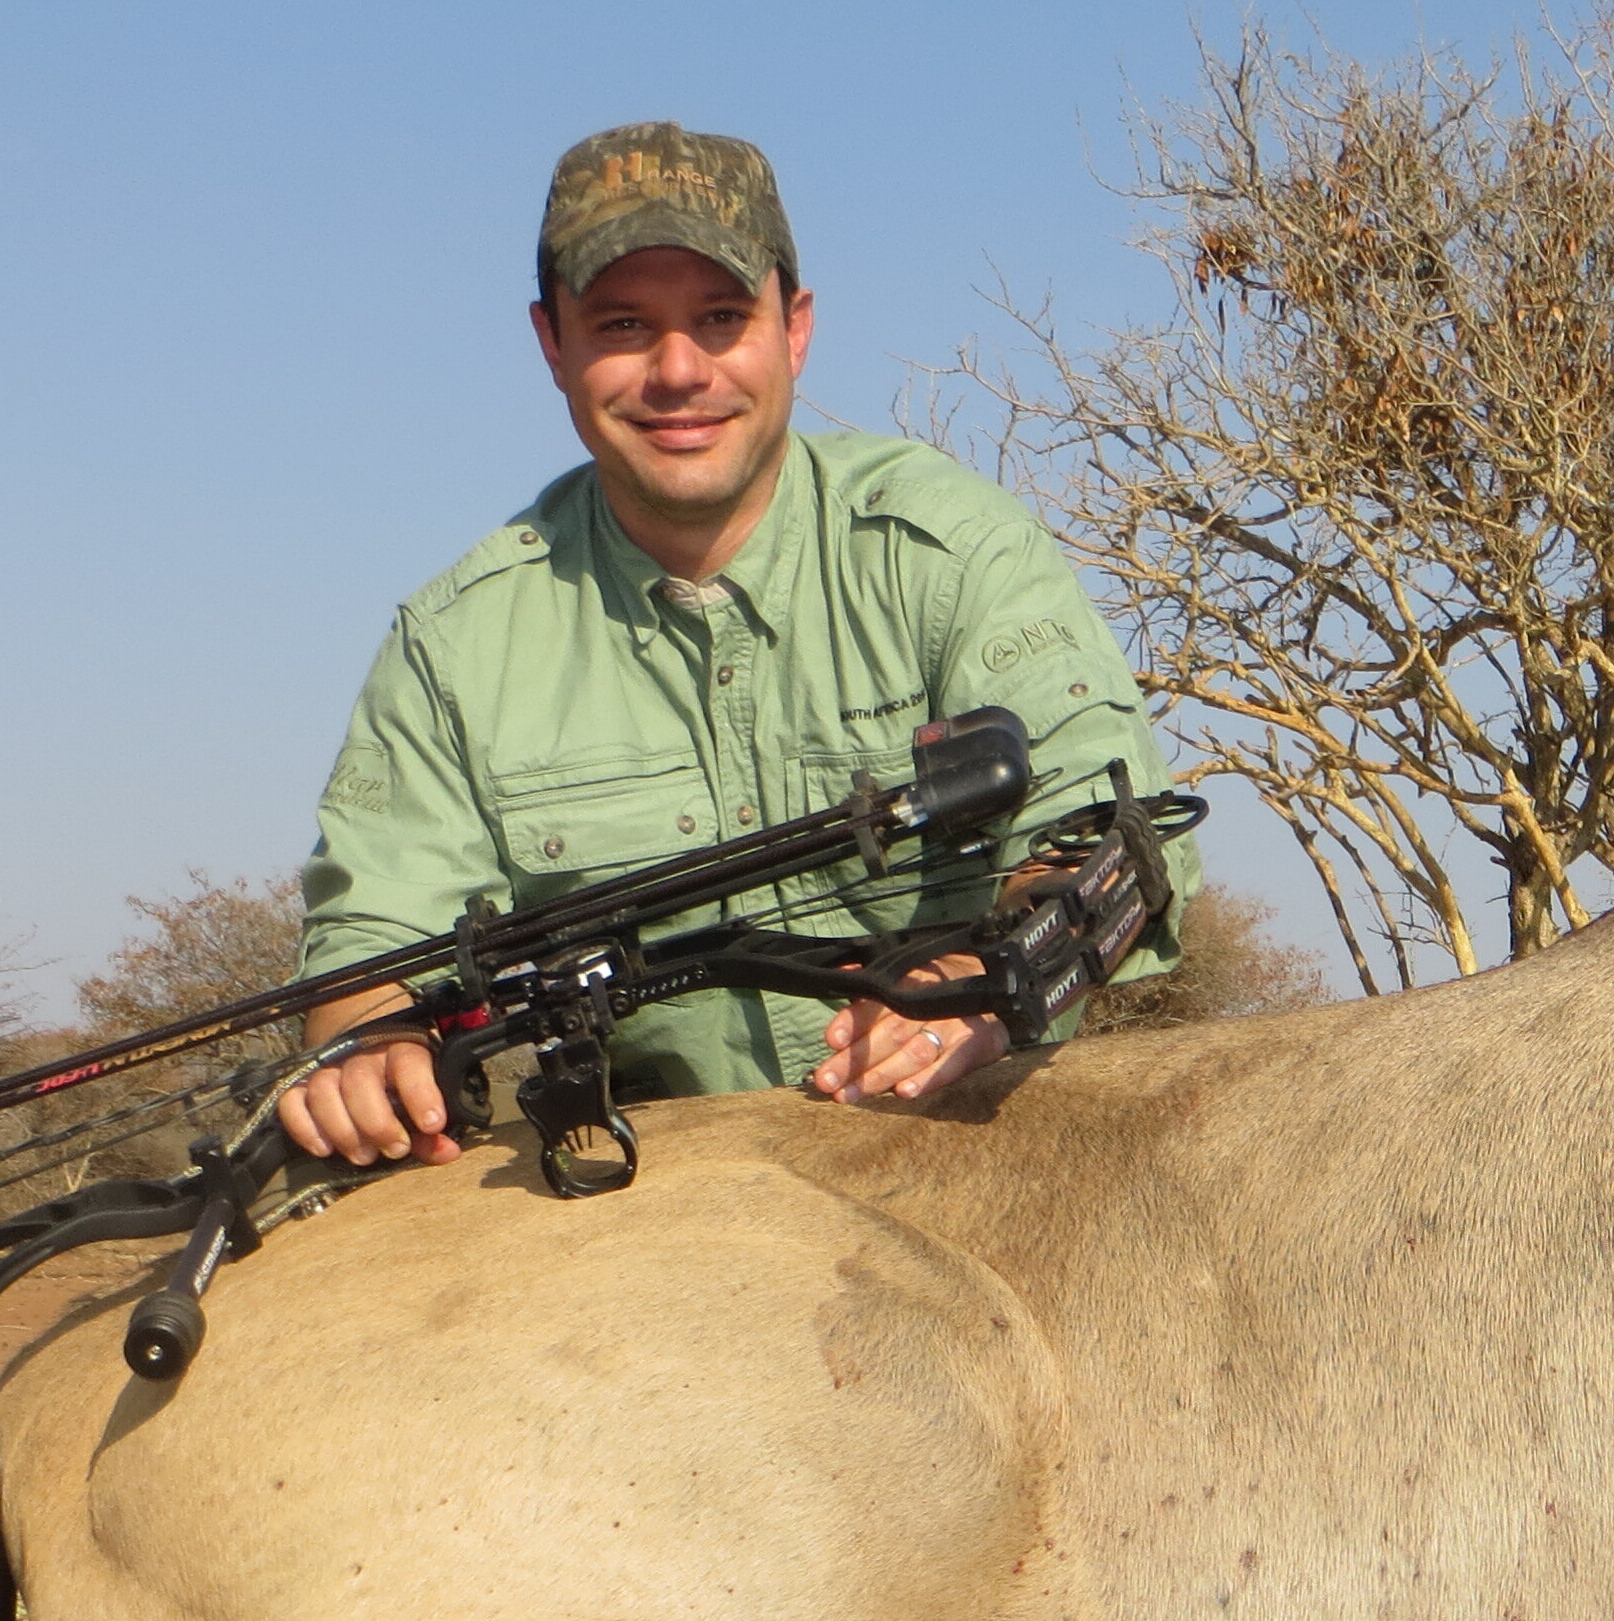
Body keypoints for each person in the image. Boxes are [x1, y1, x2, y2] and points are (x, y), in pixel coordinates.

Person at [279, 122, 1194, 1166]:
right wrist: (371, 1048)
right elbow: (367, 953)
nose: (678, 372)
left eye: (721, 319)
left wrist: (978, 985)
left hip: (973, 1149)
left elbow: (1118, 836)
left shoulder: (951, 547)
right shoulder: (453, 643)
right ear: (551, 343)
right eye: (623, 325)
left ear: (793, 330)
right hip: (661, 1202)